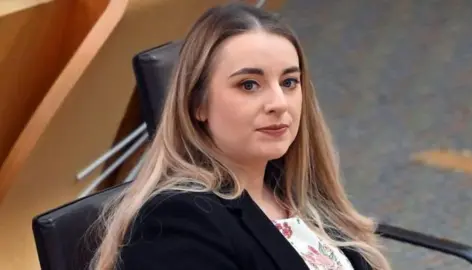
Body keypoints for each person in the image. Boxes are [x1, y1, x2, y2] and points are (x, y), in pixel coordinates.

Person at [90, 3, 391, 270]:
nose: (278, 103)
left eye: (289, 82)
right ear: (198, 104)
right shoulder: (176, 221)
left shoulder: (293, 191)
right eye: (249, 85)